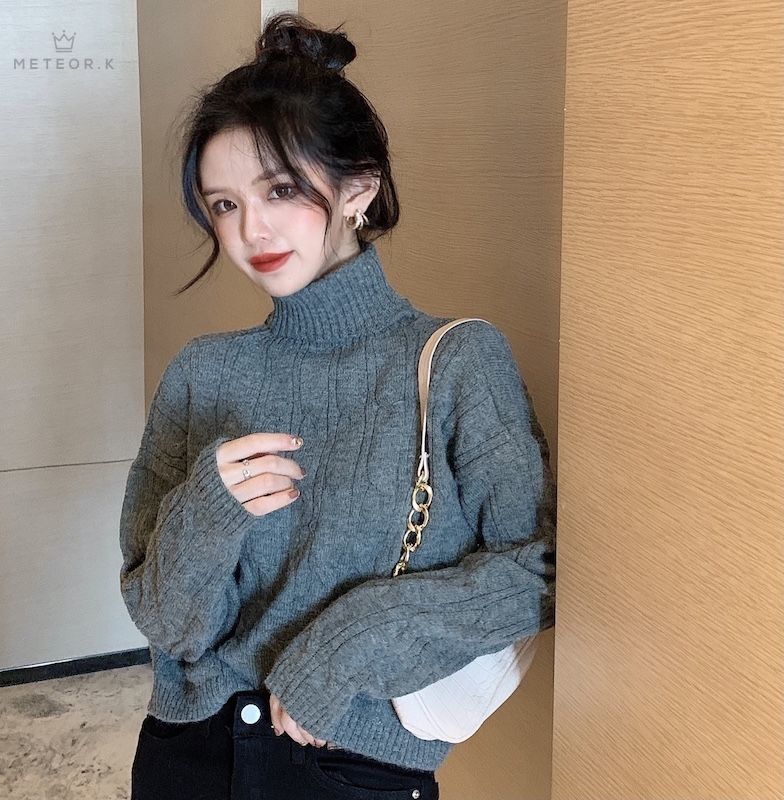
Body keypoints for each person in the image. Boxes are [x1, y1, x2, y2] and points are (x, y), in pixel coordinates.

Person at [119, 12, 557, 800]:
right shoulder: (203, 374)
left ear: (360, 188)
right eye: (223, 205)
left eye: (280, 189)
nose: (250, 229)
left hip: (353, 767)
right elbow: (166, 622)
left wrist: (345, 648)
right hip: (190, 754)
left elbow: (541, 570)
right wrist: (208, 514)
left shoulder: (458, 361)